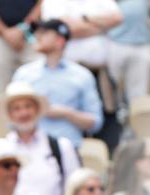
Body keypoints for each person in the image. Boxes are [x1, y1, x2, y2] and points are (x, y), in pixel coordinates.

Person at [12, 19, 103, 149]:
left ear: (59, 41)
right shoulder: (23, 74)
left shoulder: (82, 75)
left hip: (70, 148)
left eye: (44, 33)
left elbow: (95, 123)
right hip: (29, 149)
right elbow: (10, 118)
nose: (37, 36)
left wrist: (67, 113)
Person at [1, 81, 81, 195]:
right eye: (17, 108)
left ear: (37, 109)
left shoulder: (61, 147)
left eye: (28, 106)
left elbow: (75, 189)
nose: (23, 113)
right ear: (10, 114)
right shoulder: (0, 150)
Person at [0, 0, 43, 96]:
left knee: (39, 86)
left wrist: (23, 29)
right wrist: (5, 33)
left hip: (31, 36)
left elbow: (42, 4)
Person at [107, 0, 150, 108]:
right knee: (110, 89)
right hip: (115, 43)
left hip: (141, 45)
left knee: (139, 94)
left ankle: (136, 122)